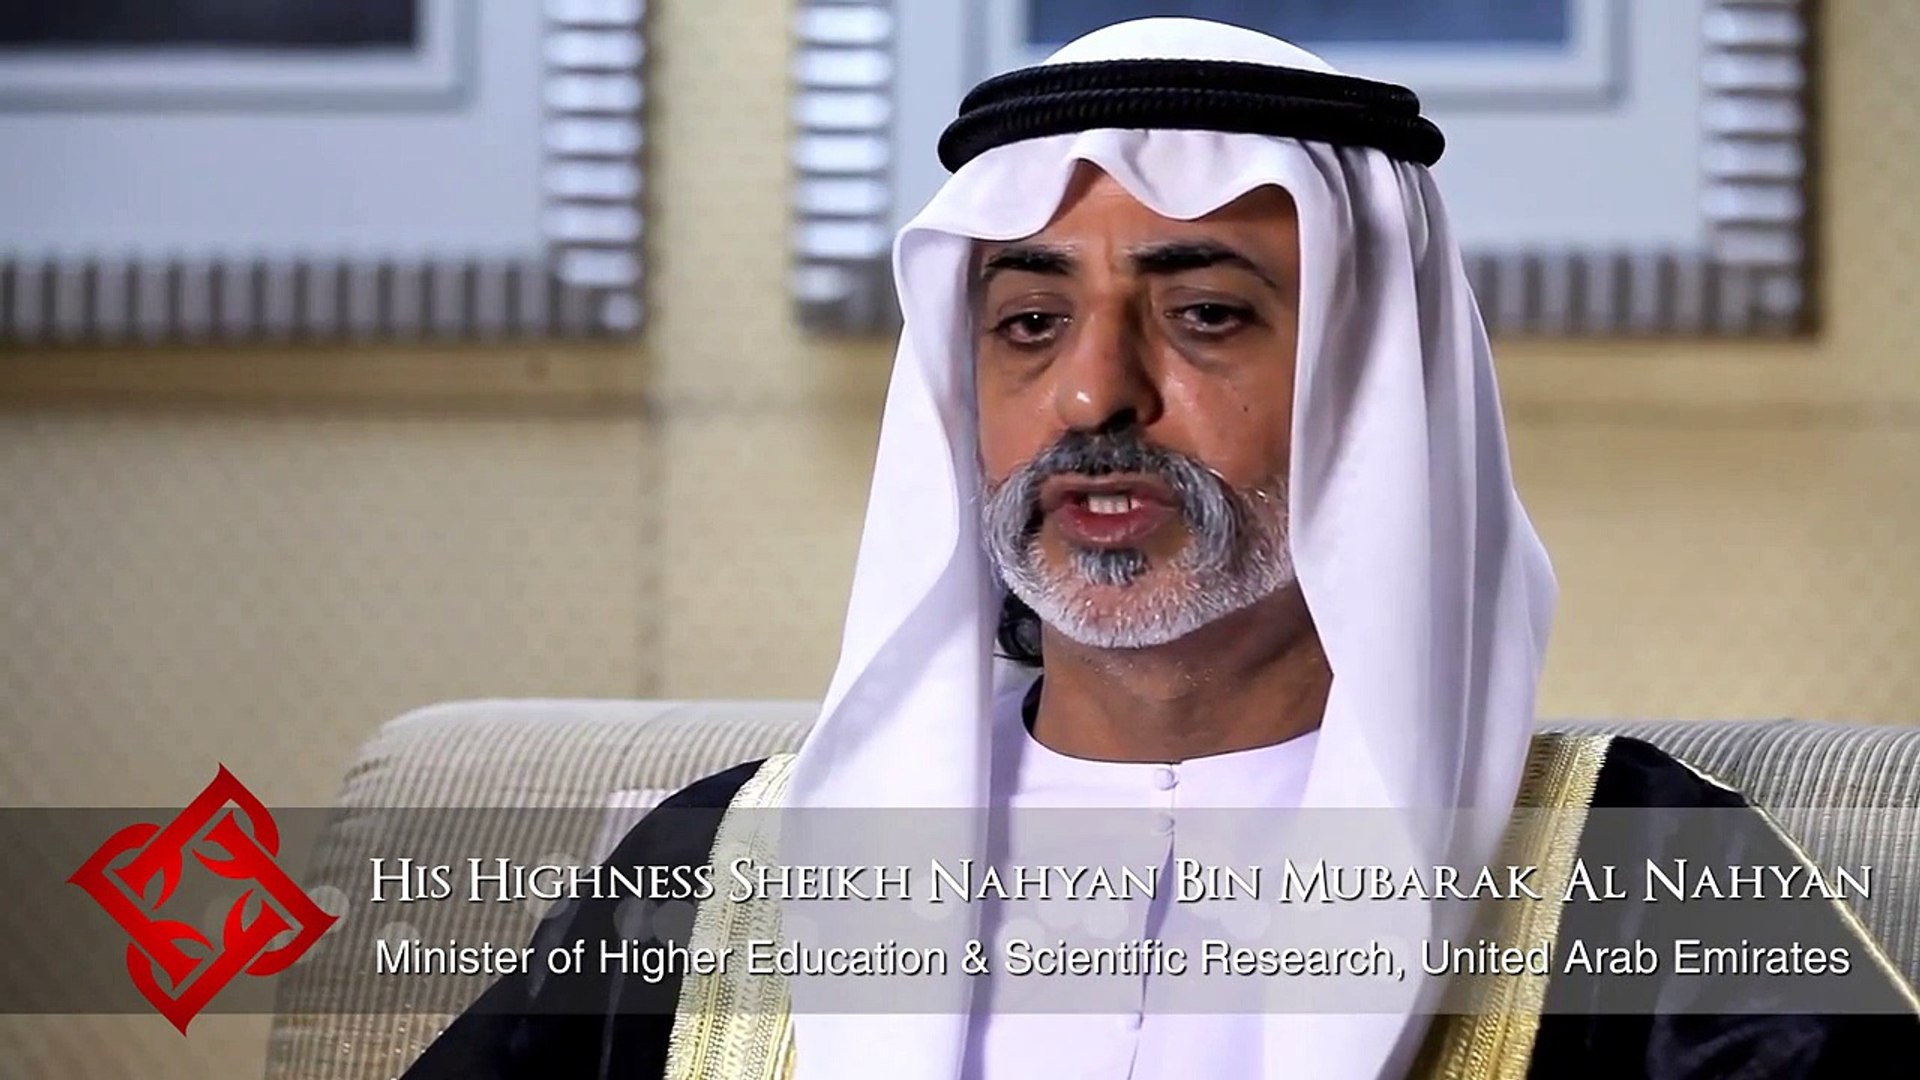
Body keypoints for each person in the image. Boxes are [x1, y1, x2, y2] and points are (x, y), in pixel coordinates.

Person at [402, 18, 1919, 1079]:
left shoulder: (1644, 881)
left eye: (1203, 315)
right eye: (1027, 322)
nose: (1092, 395)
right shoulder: (720, 875)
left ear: (1374, 393)